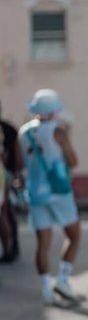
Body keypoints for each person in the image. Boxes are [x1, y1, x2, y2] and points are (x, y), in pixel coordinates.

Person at [18, 89, 82, 305]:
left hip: (35, 193)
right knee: (73, 235)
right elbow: (73, 161)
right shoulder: (58, 131)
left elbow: (21, 165)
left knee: (42, 244)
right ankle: (63, 279)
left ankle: (46, 287)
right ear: (54, 111)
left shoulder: (23, 133)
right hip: (58, 190)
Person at [0, 100, 22, 262]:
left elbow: (12, 155)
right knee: (7, 213)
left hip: (4, 176)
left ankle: (10, 248)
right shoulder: (9, 129)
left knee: (5, 213)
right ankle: (11, 247)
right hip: (7, 175)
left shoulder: (7, 129)